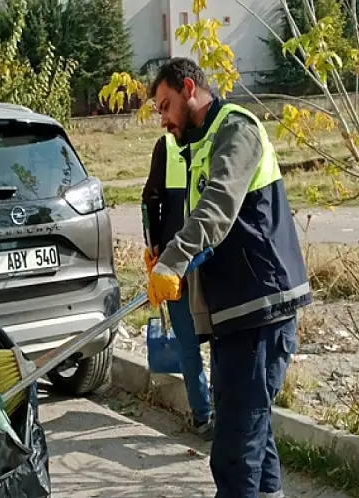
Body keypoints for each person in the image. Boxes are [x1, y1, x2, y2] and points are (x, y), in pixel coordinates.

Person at [145, 57, 312, 498]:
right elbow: (197, 221)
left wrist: (174, 262)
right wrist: (166, 255)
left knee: (235, 449)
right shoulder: (198, 144)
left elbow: (218, 207)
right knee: (253, 432)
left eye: (165, 106)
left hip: (261, 306)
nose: (162, 119)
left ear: (188, 88)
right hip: (234, 311)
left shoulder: (237, 130)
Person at [142, 133, 214, 440]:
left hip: (178, 263)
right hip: (211, 258)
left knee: (187, 343)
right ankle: (224, 413)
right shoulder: (216, 139)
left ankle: (203, 417)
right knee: (221, 339)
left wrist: (155, 250)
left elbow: (150, 201)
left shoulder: (167, 145)